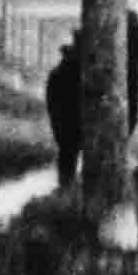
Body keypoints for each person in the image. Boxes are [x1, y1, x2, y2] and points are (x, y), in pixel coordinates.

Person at [44, 41, 82, 193]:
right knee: (70, 153)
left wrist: (55, 120)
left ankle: (65, 185)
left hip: (61, 122)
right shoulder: (76, 74)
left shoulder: (56, 73)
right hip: (72, 121)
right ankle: (67, 185)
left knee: (66, 154)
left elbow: (50, 101)